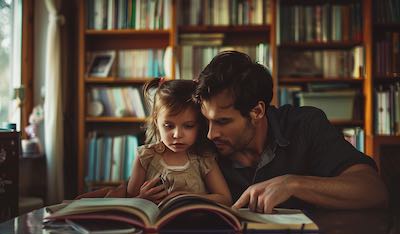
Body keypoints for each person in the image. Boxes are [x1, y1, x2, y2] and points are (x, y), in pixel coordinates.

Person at [193, 50, 388, 213]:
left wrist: (294, 184)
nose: (211, 134)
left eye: (223, 121)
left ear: (257, 111)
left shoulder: (304, 125)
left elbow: (373, 190)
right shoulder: (198, 138)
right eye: (207, 120)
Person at [125, 78, 232, 206]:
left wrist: (190, 198)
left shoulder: (203, 158)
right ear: (156, 122)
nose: (177, 135)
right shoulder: (146, 157)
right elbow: (129, 200)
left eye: (188, 126)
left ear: (199, 125)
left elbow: (225, 199)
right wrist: (142, 198)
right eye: (169, 126)